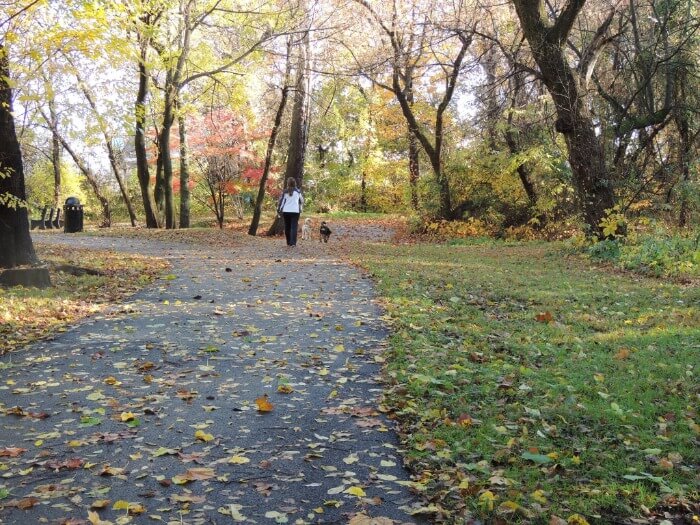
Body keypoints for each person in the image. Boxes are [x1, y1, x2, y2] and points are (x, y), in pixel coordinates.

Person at [277, 178, 304, 247]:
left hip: (286, 211)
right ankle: (293, 243)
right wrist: (299, 206)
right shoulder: (298, 192)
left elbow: (281, 202)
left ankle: (288, 242)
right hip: (295, 211)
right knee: (294, 227)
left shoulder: (285, 192)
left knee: (287, 226)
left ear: (288, 183)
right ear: (295, 183)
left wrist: (279, 210)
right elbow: (302, 201)